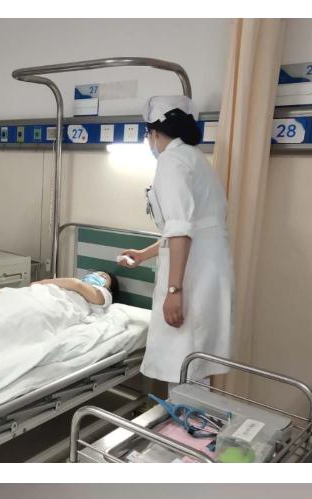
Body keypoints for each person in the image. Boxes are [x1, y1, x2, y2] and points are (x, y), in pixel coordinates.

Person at [120, 95, 233, 389]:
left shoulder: (171, 161)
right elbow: (185, 228)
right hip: (207, 267)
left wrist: (174, 291)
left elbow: (181, 230)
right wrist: (144, 254)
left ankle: (185, 418)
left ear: (154, 132)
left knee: (183, 366)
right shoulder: (194, 157)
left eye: (148, 136)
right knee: (194, 366)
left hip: (192, 274)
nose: (149, 142)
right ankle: (191, 416)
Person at [0, 271, 121, 308]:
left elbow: (76, 284)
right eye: (94, 273)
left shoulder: (104, 295)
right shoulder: (72, 285)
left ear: (109, 288)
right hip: (47, 295)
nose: (95, 276)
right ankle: (3, 298)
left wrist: (44, 282)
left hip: (58, 304)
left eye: (103, 276)